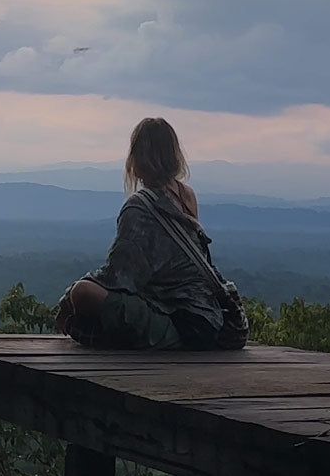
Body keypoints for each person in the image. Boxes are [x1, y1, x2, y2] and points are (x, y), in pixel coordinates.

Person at [54, 117, 226, 350]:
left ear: (136, 157)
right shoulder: (187, 195)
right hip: (208, 320)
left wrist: (69, 297)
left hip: (181, 325)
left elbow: (120, 276)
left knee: (82, 293)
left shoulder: (139, 206)